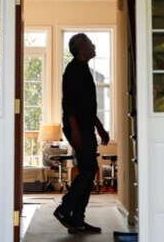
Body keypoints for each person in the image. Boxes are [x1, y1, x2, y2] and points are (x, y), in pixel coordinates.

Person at [53, 33, 109, 235]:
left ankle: (77, 220)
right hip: (78, 128)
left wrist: (100, 127)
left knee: (89, 170)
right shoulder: (73, 70)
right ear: (82, 48)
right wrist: (74, 130)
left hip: (86, 126)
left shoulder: (84, 69)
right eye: (91, 43)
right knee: (88, 170)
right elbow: (68, 104)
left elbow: (87, 106)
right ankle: (64, 209)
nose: (94, 46)